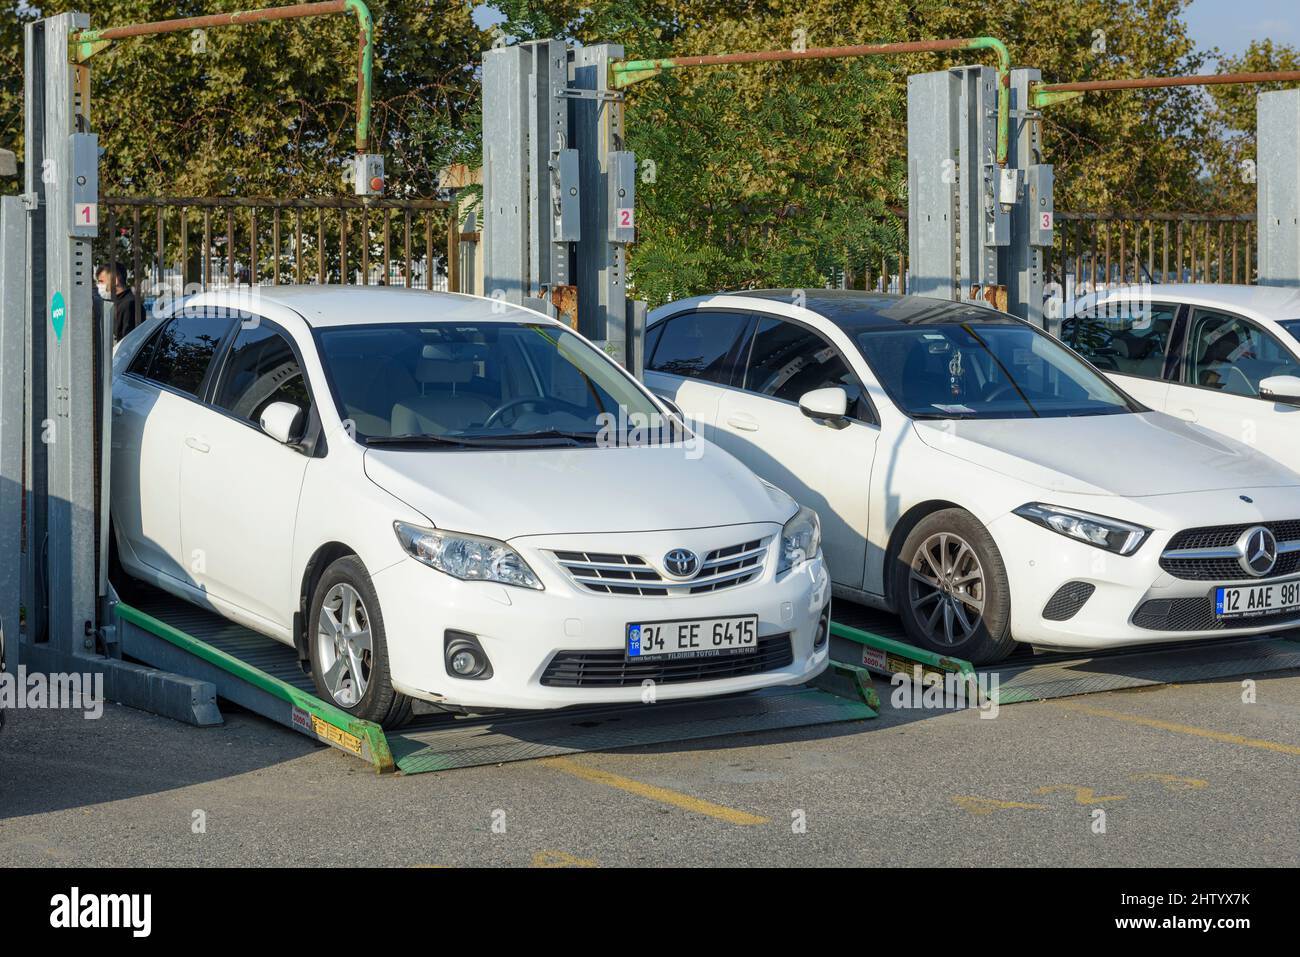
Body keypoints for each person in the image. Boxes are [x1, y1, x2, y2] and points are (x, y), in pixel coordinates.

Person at [97, 263, 139, 341]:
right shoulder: (115, 303)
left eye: (101, 282)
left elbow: (128, 342)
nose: (99, 285)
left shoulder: (129, 305)